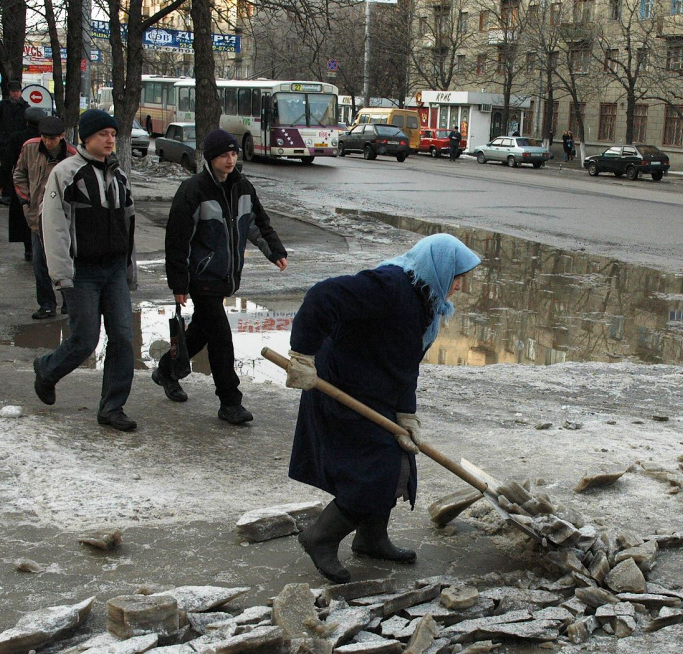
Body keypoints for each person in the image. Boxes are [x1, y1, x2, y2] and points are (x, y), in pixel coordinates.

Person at [285, 233, 481, 583]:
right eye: (457, 276)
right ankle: (320, 537)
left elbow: (406, 362)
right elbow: (322, 296)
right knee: (373, 470)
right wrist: (302, 353)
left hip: (374, 388)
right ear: (439, 267)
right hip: (339, 385)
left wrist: (406, 412)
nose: (461, 286)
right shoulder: (390, 285)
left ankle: (371, 537)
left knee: (397, 461)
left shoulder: (425, 301)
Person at [151, 129, 289, 424]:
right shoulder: (193, 190)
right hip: (201, 277)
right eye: (224, 155)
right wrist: (178, 282)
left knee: (202, 331)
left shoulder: (243, 187)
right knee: (221, 338)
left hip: (225, 276)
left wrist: (274, 250)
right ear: (211, 158)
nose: (230, 160)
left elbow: (258, 223)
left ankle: (166, 371)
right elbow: (177, 240)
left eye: (234, 154)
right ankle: (230, 402)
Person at [33, 109, 138, 432]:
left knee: (123, 338)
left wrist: (129, 269)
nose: (110, 140)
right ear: (86, 138)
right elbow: (53, 226)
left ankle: (112, 407)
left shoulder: (118, 175)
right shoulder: (66, 174)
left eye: (113, 135)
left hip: (114, 270)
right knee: (85, 339)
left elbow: (129, 223)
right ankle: (47, 371)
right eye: (103, 135)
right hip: (82, 272)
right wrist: (61, 275)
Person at [13, 114, 75, 319]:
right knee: (40, 262)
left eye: (53, 138)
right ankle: (47, 304)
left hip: (63, 219)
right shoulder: (30, 148)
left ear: (62, 136)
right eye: (45, 138)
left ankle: (69, 301)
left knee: (65, 261)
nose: (48, 142)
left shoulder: (72, 156)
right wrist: (26, 199)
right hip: (36, 217)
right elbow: (19, 174)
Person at [3, 107, 44, 260]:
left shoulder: (17, 137)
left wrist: (1, 183)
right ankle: (36, 246)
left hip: (21, 183)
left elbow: (8, 162)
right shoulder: (45, 138)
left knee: (23, 214)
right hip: (40, 181)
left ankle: (28, 248)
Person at [0, 82, 29, 205]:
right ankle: (6, 194)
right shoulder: (2, 106)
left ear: (21, 92)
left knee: (18, 169)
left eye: (17, 91)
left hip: (19, 144)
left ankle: (16, 194)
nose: (15, 93)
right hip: (4, 142)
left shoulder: (26, 108)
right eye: (13, 91)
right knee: (5, 167)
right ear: (9, 92)